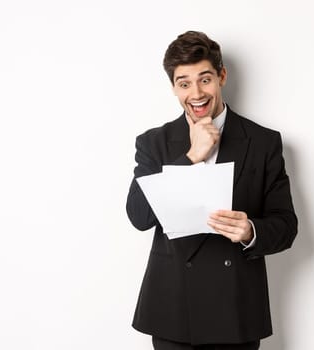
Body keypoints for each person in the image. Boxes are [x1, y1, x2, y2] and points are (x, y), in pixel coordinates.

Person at [125, 31, 298, 349]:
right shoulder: (153, 143)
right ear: (174, 88)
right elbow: (139, 216)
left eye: (205, 79)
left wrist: (250, 230)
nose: (196, 93)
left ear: (221, 76)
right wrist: (192, 156)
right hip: (173, 310)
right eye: (184, 83)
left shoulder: (263, 142)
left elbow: (286, 226)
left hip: (235, 309)